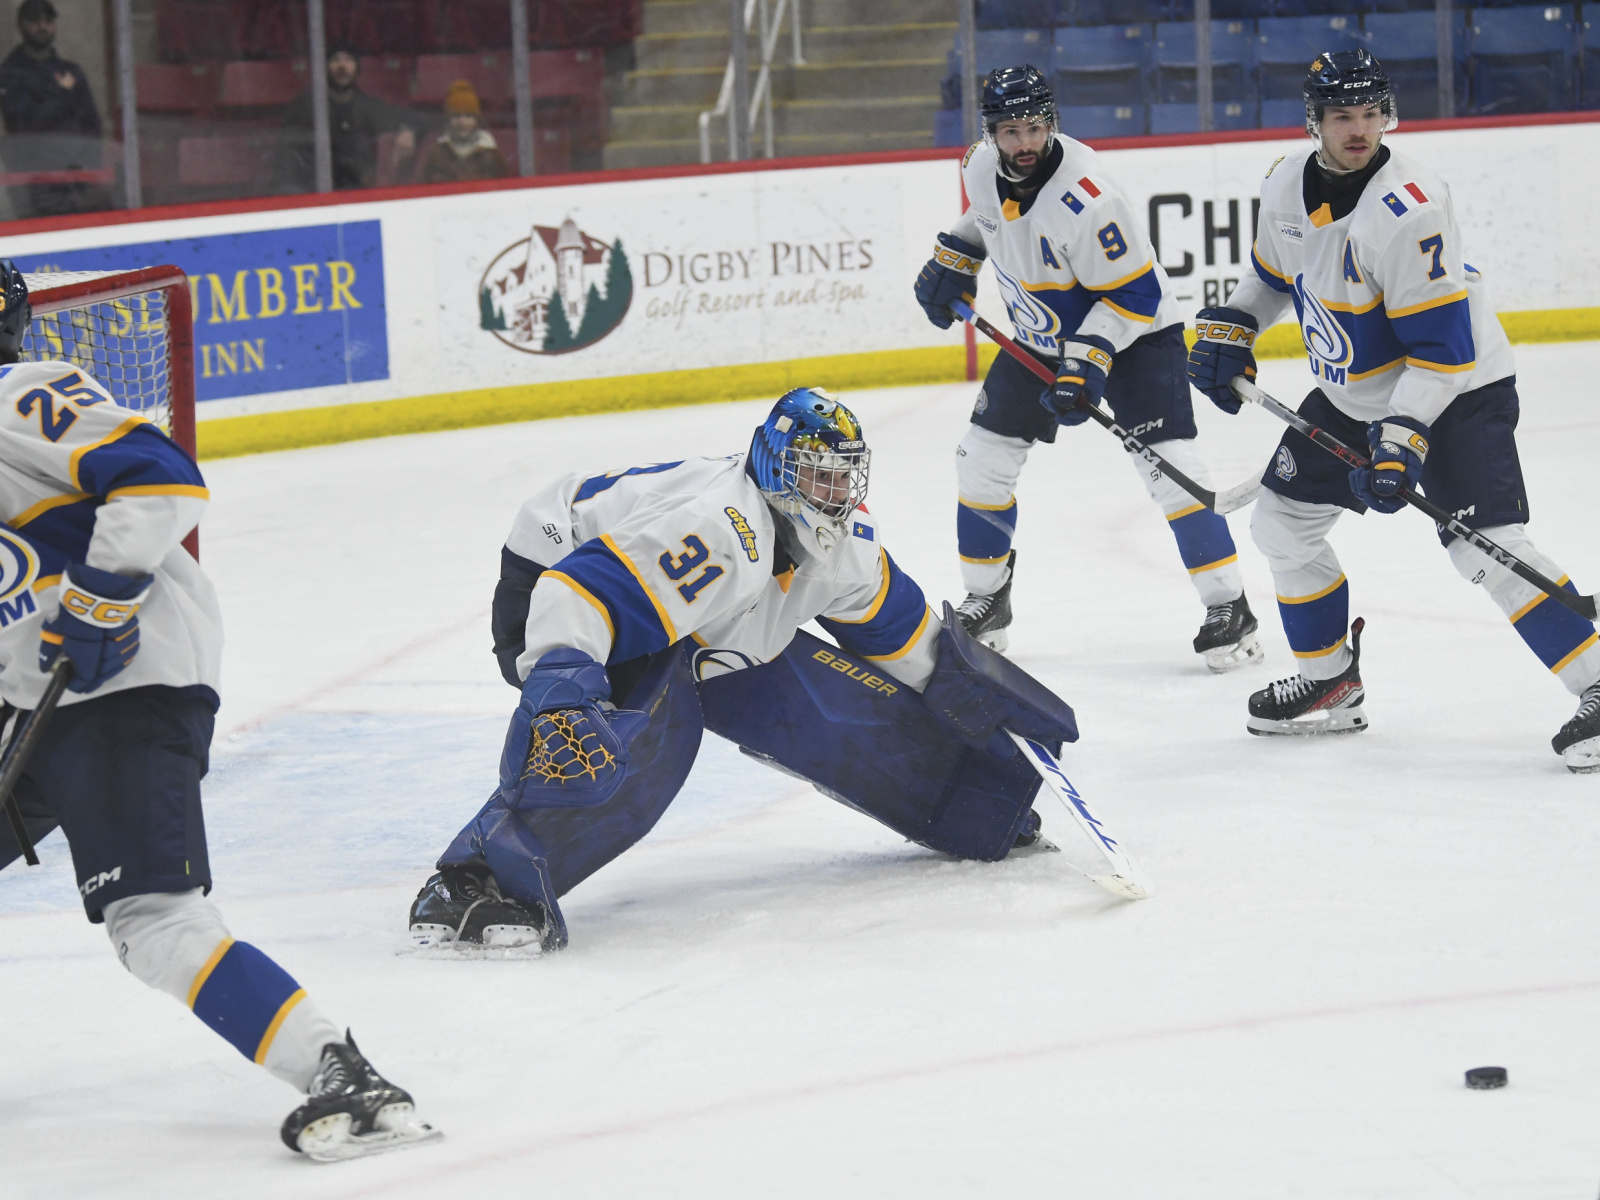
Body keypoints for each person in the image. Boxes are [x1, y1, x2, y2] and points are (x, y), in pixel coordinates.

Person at [0, 264, 439, 1158]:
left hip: (123, 686)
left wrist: (99, 596)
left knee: (152, 921)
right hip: (31, 700)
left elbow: (159, 475)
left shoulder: (21, 392)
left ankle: (340, 1070)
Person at [407, 387, 1079, 952]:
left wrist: (989, 719)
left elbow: (914, 648)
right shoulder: (719, 530)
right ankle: (479, 880)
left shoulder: (846, 552)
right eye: (819, 473)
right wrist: (562, 692)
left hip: (694, 609)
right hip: (557, 576)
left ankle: (967, 802)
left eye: (845, 474)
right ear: (776, 468)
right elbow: (576, 596)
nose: (836, 492)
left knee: (827, 706)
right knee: (651, 732)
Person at [1186, 49, 1600, 771]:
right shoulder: (1286, 183)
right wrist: (1234, 327)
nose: (1359, 129)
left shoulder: (1410, 209)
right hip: (1354, 393)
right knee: (1283, 524)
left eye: (1371, 114)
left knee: (1484, 545)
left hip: (1456, 394)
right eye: (1343, 116)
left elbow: (1443, 352)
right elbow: (1270, 278)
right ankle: (1329, 684)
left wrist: (1401, 439)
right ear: (1315, 120)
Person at [912, 65, 1260, 670]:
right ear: (991, 132)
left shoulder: (1090, 196)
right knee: (982, 458)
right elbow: (987, 214)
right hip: (1037, 341)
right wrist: (954, 255)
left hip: (1136, 341)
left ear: (1053, 124)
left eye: (1035, 128)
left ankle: (1229, 605)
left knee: (1170, 470)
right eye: (1011, 130)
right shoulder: (977, 163)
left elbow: (1133, 297)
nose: (1024, 144)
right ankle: (986, 599)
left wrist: (1086, 360)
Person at [0, 0, 110, 217]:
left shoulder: (71, 71)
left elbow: (92, 125)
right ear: (21, 25)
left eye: (48, 20)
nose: (42, 26)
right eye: (34, 21)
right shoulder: (9, 74)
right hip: (37, 180)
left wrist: (86, 167)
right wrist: (60, 93)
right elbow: (24, 123)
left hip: (78, 175)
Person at [278, 45, 415, 191]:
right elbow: (289, 155)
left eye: (348, 60)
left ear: (357, 68)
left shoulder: (368, 106)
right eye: (335, 60)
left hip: (359, 189)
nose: (342, 66)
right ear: (325, 67)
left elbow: (415, 119)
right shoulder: (305, 107)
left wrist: (407, 130)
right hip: (315, 190)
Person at [420, 80, 510, 184]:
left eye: (468, 116)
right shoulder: (437, 153)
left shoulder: (491, 153)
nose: (462, 122)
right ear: (448, 120)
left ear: (477, 120)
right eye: (456, 116)